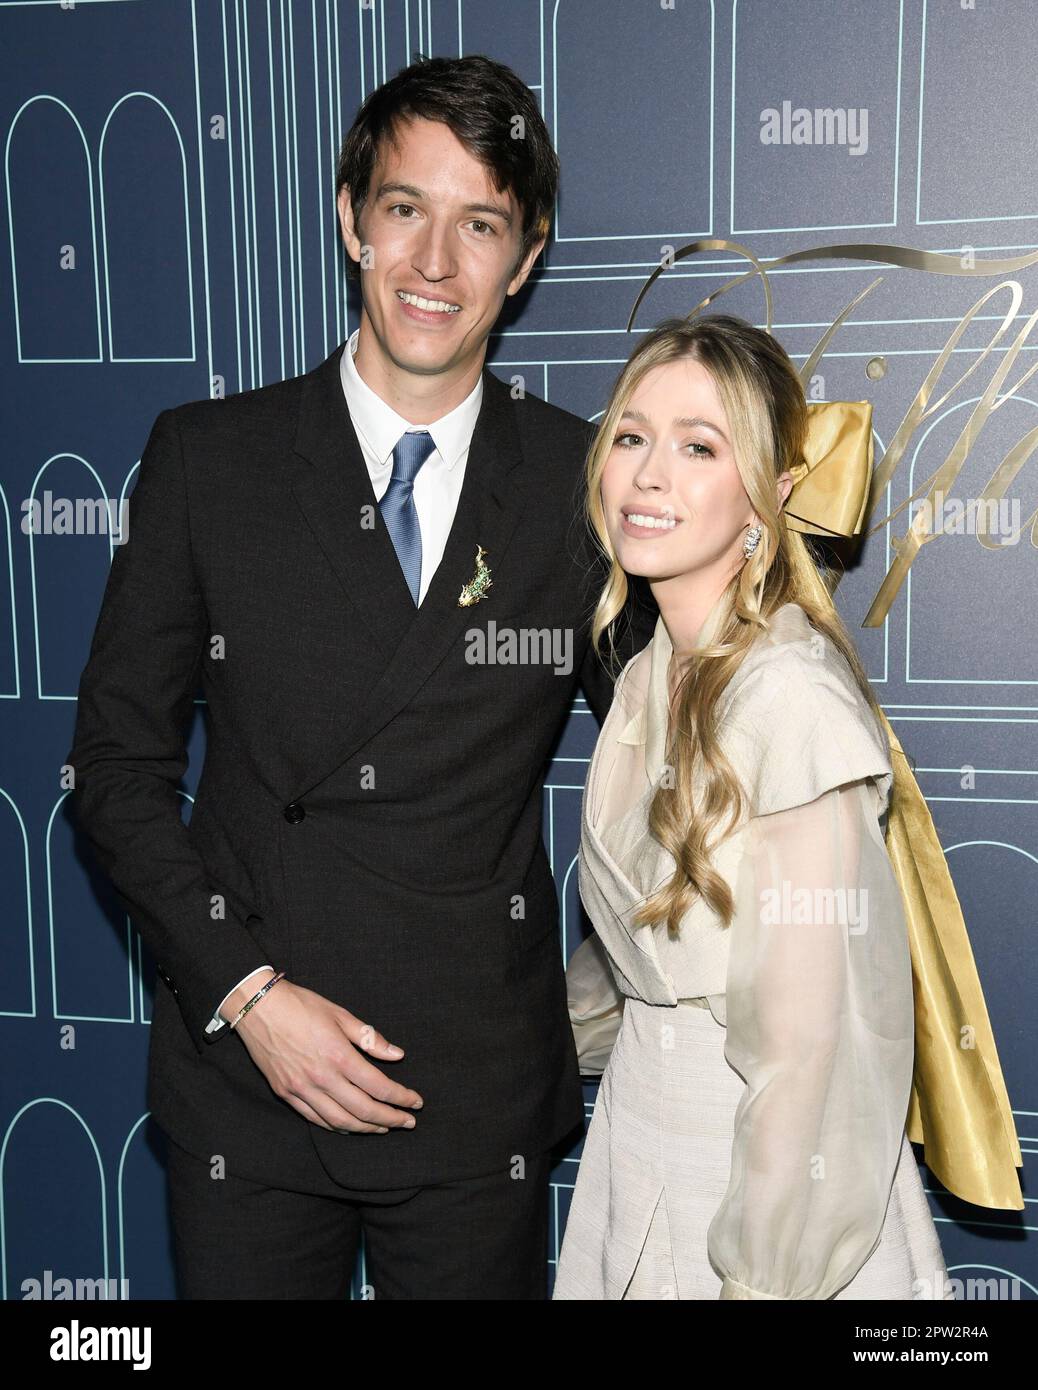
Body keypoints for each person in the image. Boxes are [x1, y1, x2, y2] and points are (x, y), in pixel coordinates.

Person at [66, 54, 655, 1301]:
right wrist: (247, 992)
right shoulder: (208, 461)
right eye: (405, 209)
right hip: (249, 1082)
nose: (435, 263)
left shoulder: (584, 484)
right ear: (349, 216)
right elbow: (113, 774)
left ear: (528, 253)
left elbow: (675, 738)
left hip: (470, 1089)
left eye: (480, 223)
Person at [553, 312, 955, 1300]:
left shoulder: (789, 698)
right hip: (641, 1152)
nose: (648, 474)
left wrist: (764, 1280)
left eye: (699, 445)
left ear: (766, 498)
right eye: (632, 435)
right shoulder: (651, 675)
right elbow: (638, 966)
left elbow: (812, 1051)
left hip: (758, 1194)